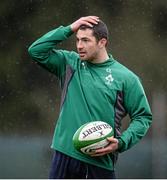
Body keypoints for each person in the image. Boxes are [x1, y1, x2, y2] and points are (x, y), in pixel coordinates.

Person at [28, 16, 152, 179]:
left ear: (102, 42)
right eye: (78, 40)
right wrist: (69, 28)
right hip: (65, 154)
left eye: (86, 40)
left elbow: (143, 117)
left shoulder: (127, 78)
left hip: (99, 160)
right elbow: (36, 50)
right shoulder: (70, 63)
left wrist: (122, 142)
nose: (79, 46)